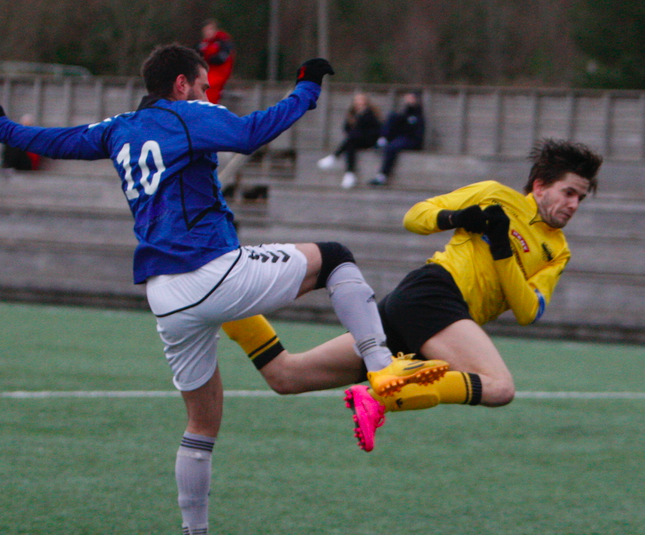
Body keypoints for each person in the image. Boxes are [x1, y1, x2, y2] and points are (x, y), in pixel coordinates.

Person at [0, 44, 448, 535]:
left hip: (164, 296)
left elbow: (55, 140)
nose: (206, 94)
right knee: (335, 257)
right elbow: (250, 133)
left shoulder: (118, 128)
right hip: (209, 271)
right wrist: (307, 87)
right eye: (201, 86)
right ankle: (382, 368)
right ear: (181, 85)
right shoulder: (188, 115)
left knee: (202, 424)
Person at [224, 139, 603, 448]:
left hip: (432, 322)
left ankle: (223, 302)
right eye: (568, 192)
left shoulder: (559, 250)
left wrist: (503, 250)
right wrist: (455, 219)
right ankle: (381, 396)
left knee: (287, 376)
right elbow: (415, 216)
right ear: (539, 185)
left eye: (580, 198)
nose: (573, 205)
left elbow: (527, 311)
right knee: (499, 387)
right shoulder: (495, 196)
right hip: (433, 294)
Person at [317, 92, 382, 188]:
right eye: (357, 100)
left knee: (351, 139)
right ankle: (350, 174)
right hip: (355, 141)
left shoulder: (370, 114)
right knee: (350, 145)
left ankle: (335, 157)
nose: (359, 102)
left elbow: (374, 130)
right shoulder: (351, 114)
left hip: (369, 140)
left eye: (361, 100)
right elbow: (346, 129)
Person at [369, 92, 425, 186]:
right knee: (392, 117)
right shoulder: (405, 112)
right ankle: (382, 140)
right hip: (401, 138)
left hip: (412, 140)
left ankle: (382, 176)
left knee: (392, 147)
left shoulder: (418, 114)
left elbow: (414, 131)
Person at [196, 19, 234, 103]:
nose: (208, 32)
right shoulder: (203, 44)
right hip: (207, 72)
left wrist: (207, 58)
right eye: (206, 30)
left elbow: (220, 59)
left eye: (210, 29)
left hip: (219, 72)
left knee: (208, 87)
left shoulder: (223, 41)